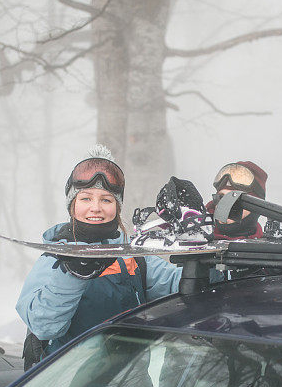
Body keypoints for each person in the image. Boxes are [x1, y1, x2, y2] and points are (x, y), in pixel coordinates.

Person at [16, 145, 182, 365]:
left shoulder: (132, 257)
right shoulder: (54, 258)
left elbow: (178, 283)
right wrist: (73, 273)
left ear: (117, 207)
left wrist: (210, 263)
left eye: (106, 200)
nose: (96, 208)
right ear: (72, 206)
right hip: (69, 386)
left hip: (131, 386)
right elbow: (45, 326)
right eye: (86, 199)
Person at [204, 161, 268, 240]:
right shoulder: (194, 238)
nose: (226, 205)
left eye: (235, 199)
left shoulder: (273, 247)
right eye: (221, 198)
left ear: (255, 205)